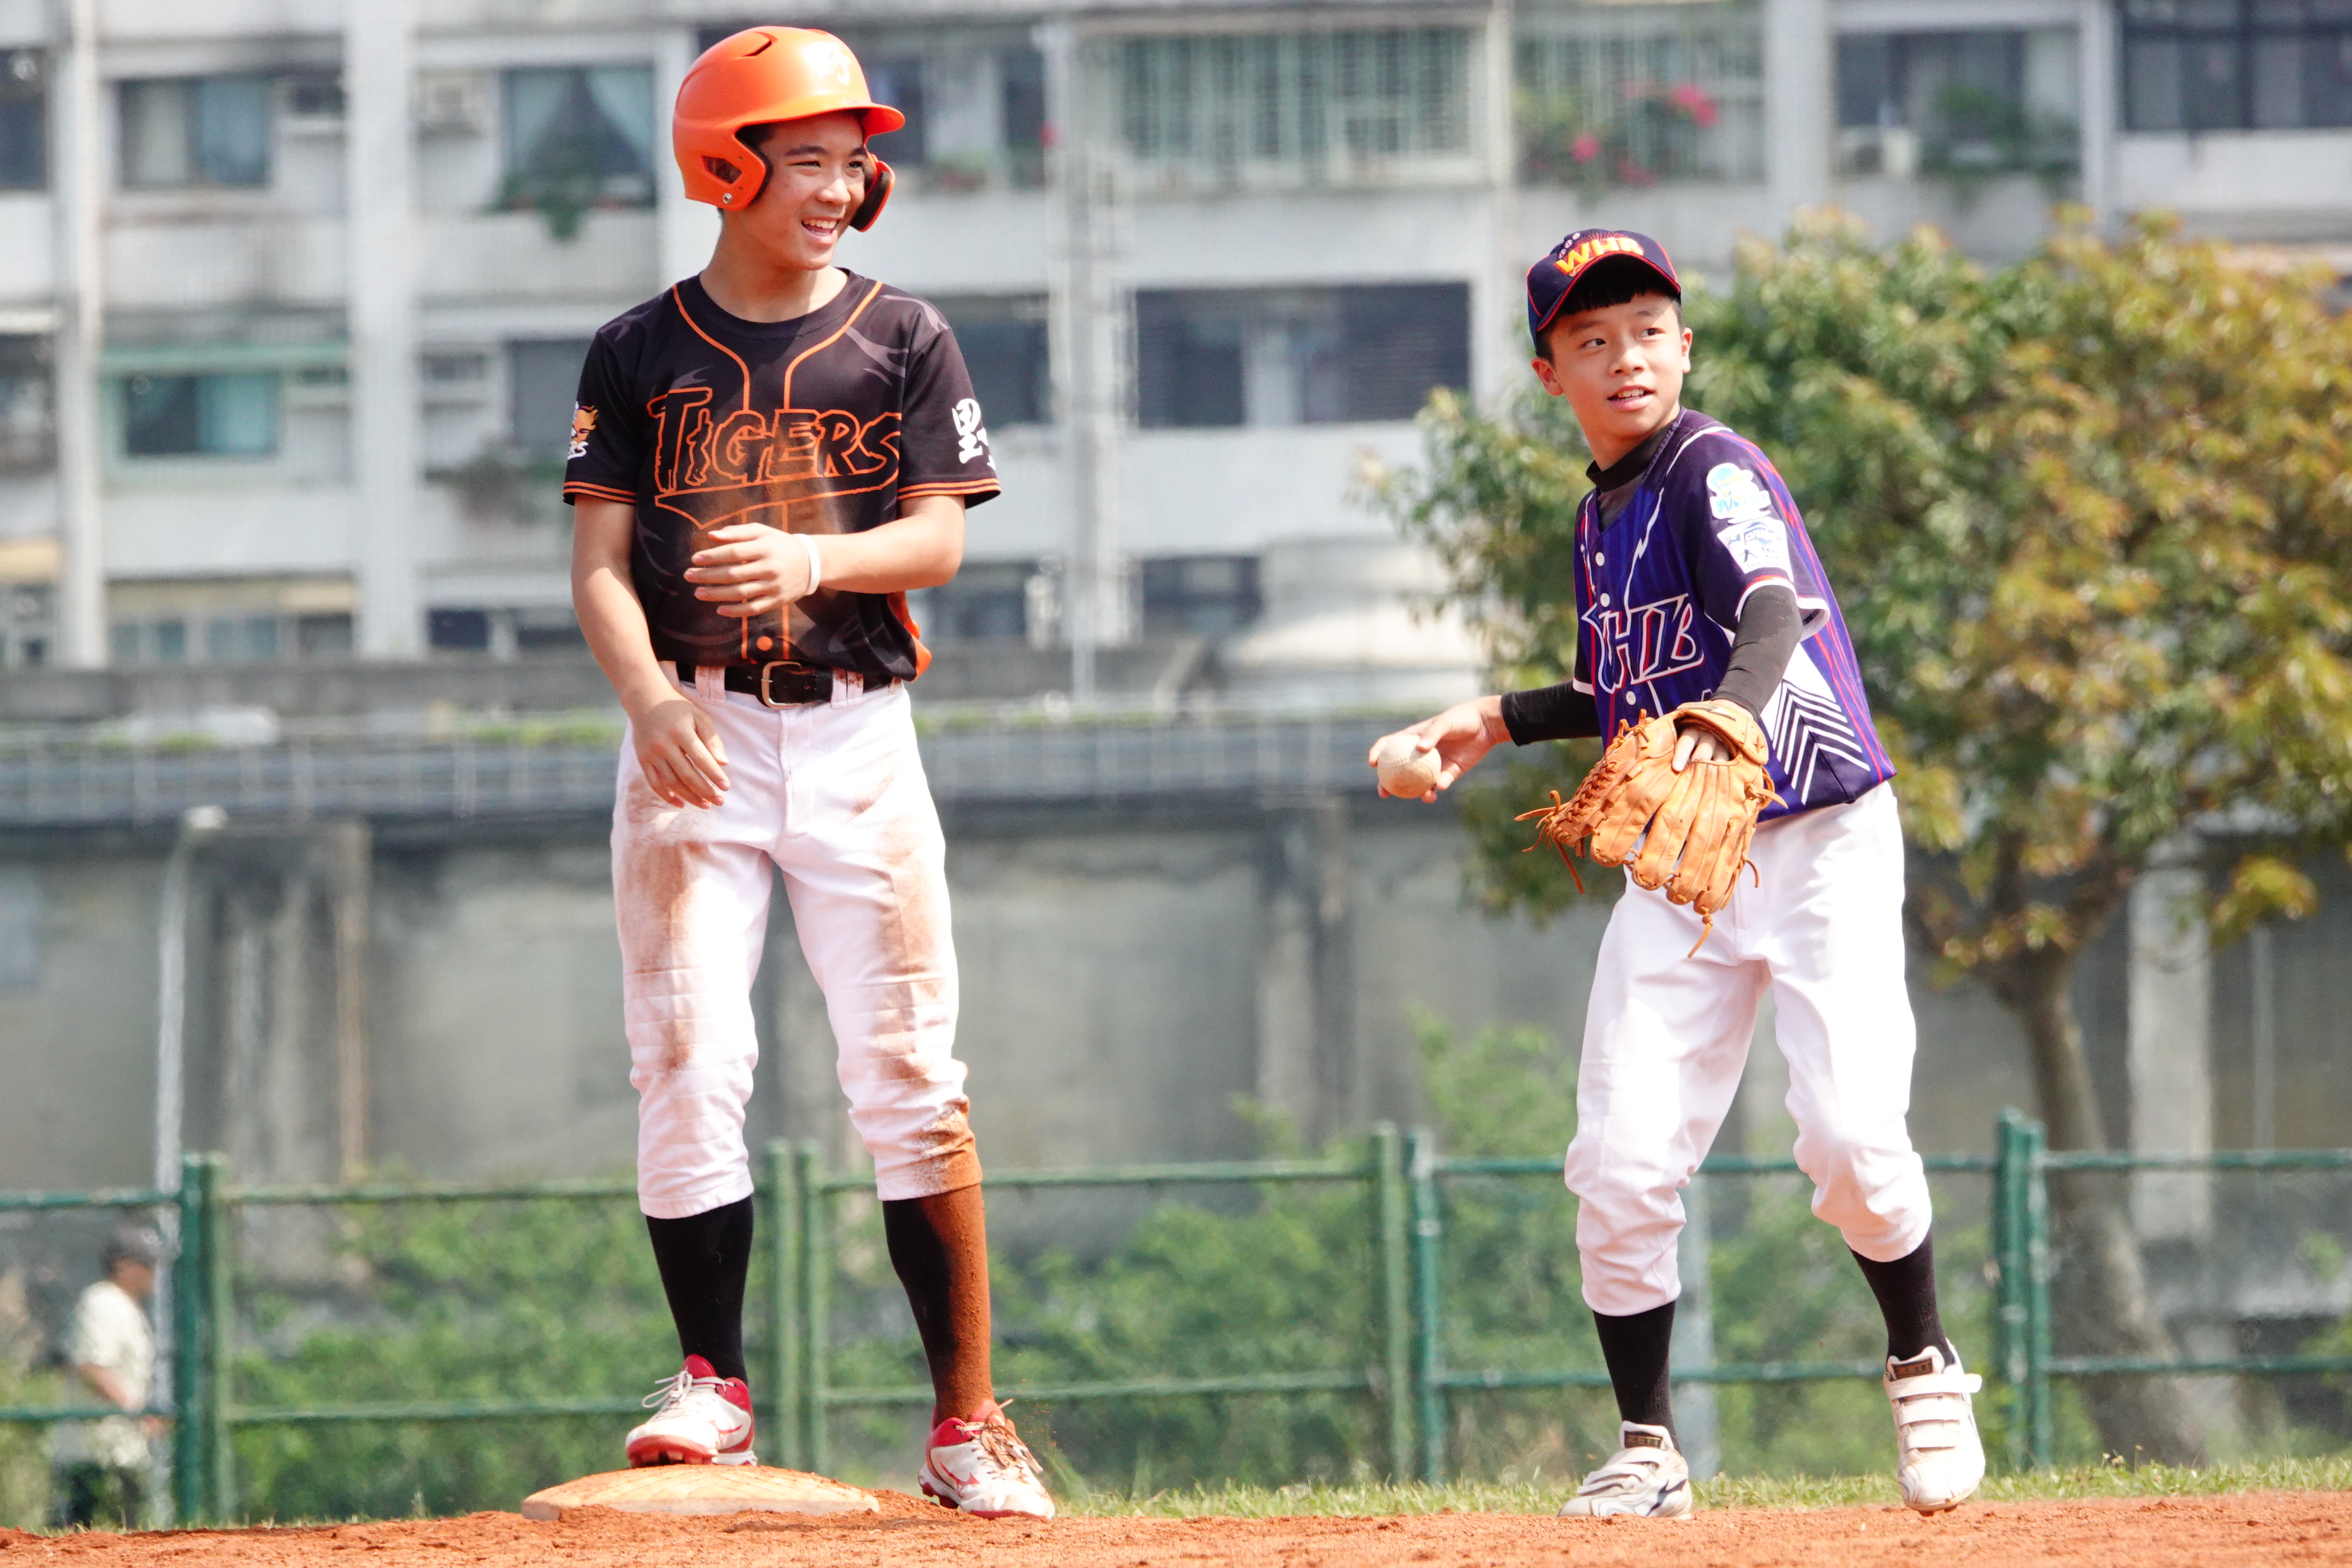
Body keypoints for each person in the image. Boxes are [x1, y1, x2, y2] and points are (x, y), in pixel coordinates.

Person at [1368, 230, 1983, 1518]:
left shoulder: (1715, 468)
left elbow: (1769, 611)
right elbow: (1619, 684)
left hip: (1816, 836)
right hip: (1690, 866)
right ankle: (1648, 1447)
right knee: (1619, 1159)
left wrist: (1737, 713)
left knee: (1848, 1140)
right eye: (1590, 339)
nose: (1625, 357)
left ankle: (1923, 1361)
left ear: (1684, 346)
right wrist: (1490, 719)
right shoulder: (1598, 516)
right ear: (1549, 374)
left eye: (1647, 330)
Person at [563, 27, 1051, 1518]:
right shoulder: (638, 350)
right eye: (808, 159)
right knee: (687, 1052)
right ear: (727, 166)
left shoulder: (904, 335)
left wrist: (812, 558)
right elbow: (597, 565)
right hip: (693, 737)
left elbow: (941, 538)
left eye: (853, 162)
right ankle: (710, 1383)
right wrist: (647, 698)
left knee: (907, 1071)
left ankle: (968, 1425)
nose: (841, 187)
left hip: (855, 729)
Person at [51, 1227, 165, 1530]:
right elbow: (92, 1369)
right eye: (147, 1264)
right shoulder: (102, 1302)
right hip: (92, 1455)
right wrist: (137, 1412)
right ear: (122, 1265)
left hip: (119, 1451)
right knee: (78, 1540)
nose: (154, 1273)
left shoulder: (124, 1305)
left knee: (131, 1537)